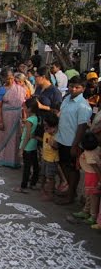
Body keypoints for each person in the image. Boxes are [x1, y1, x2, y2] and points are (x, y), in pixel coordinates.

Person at [55, 76, 92, 205]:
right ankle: (70, 190)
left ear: (83, 89)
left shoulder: (83, 105)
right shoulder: (66, 100)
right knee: (63, 165)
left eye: (77, 87)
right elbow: (61, 117)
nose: (74, 89)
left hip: (72, 142)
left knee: (73, 169)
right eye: (72, 86)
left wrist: (75, 145)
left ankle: (71, 195)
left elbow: (82, 127)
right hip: (61, 139)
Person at [0, 68, 26, 168]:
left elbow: (23, 104)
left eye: (12, 78)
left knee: (16, 138)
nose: (10, 81)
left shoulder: (20, 89)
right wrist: (0, 121)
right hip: (6, 117)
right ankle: (4, 159)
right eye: (8, 79)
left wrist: (24, 117)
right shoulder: (2, 90)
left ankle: (15, 161)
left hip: (18, 116)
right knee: (5, 137)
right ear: (4, 78)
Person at [72, 132, 101, 225]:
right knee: (88, 195)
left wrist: (100, 181)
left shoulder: (89, 155)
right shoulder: (97, 149)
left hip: (93, 176)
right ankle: (86, 211)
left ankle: (93, 216)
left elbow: (97, 169)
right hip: (90, 175)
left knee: (93, 197)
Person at [14, 98, 39, 193]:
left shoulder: (29, 120)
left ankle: (23, 186)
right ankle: (33, 183)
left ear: (30, 109)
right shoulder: (36, 118)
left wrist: (21, 149)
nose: (23, 108)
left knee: (27, 167)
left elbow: (27, 136)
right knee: (35, 165)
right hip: (33, 145)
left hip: (27, 146)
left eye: (24, 107)